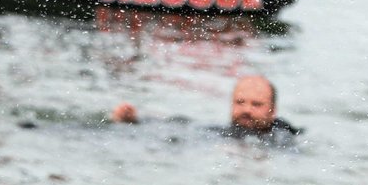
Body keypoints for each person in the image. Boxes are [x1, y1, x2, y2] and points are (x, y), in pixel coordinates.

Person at [111, 75, 299, 142]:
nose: (246, 110)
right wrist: (136, 121)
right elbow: (181, 125)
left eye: (256, 104)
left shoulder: (282, 138)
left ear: (273, 110)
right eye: (240, 102)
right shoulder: (220, 131)